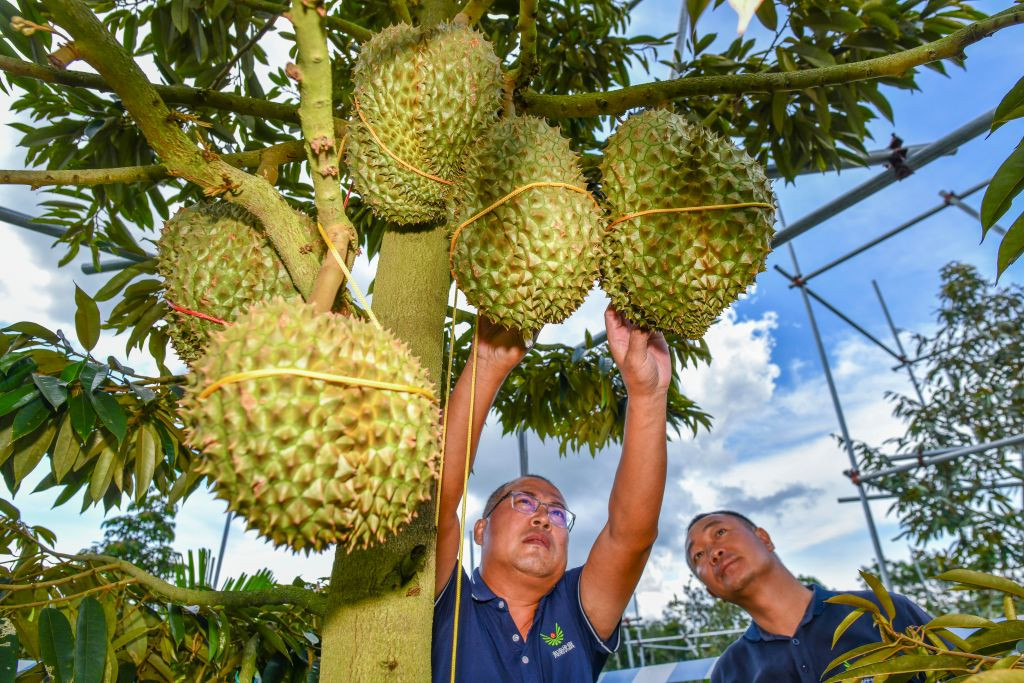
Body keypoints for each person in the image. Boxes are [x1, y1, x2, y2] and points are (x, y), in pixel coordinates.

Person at [432, 306, 672, 682]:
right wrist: (486, 364)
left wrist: (648, 393)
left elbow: (632, 536)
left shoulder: (576, 609)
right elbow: (434, 500)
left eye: (558, 514)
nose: (544, 517)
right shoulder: (449, 603)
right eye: (524, 501)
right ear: (480, 529)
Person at [685, 510, 931, 683]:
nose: (713, 552)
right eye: (698, 556)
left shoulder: (880, 611)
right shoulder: (731, 671)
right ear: (711, 592)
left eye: (720, 532)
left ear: (764, 538)